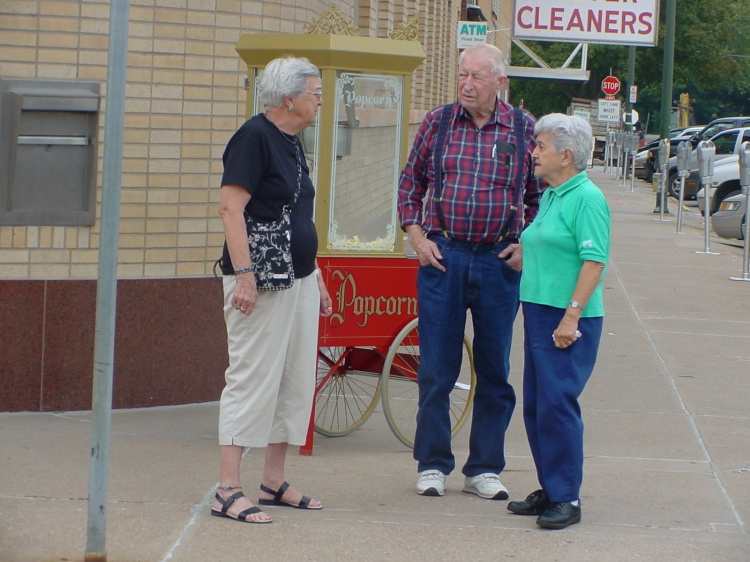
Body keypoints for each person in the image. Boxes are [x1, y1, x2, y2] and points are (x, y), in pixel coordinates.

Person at [397, 43, 542, 499]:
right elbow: (409, 182)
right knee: (437, 368)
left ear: (500, 82)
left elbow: (541, 198)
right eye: (462, 74)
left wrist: (526, 245)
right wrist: (417, 238)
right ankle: (433, 463)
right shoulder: (439, 123)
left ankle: (484, 467)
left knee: (494, 368)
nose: (466, 84)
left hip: (498, 262)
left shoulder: (522, 129)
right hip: (445, 257)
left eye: (477, 76)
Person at [212, 56, 333, 524]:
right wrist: (244, 274)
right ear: (289, 98)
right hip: (261, 281)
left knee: (293, 381)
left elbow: (297, 216)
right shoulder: (253, 138)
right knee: (252, 380)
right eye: (314, 91)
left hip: (298, 278)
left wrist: (316, 274)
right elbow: (230, 208)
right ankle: (227, 489)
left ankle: (274, 479)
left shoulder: (293, 140)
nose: (320, 98)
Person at [507, 113, 610, 529]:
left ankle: (567, 497)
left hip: (567, 317)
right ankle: (550, 486)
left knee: (557, 405)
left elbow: (594, 261)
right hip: (538, 309)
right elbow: (545, 243)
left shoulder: (587, 198)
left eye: (541, 147)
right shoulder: (552, 194)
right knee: (537, 406)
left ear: (565, 155)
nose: (533, 153)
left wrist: (571, 317)